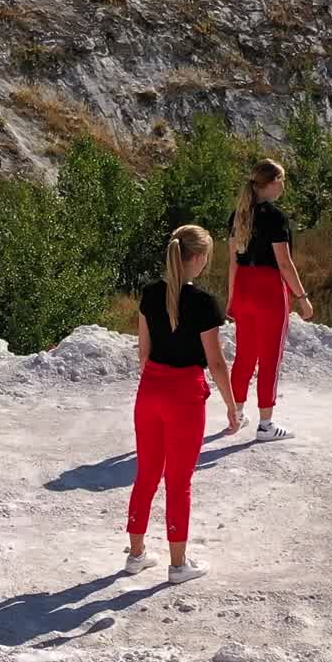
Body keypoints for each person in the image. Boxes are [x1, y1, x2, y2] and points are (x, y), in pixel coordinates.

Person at [126, 224, 239, 583]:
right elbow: (217, 363)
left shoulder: (149, 293)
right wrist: (232, 405)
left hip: (150, 390)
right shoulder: (204, 303)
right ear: (198, 258)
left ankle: (136, 554)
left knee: (145, 475)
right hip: (184, 396)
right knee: (179, 481)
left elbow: (143, 353)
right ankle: (178, 564)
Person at [227, 159, 314, 441]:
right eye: (282, 180)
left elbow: (232, 264)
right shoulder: (276, 217)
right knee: (269, 358)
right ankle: (266, 425)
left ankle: (237, 414)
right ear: (273, 182)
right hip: (268, 290)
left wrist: (230, 299)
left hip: (243, 288)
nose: (284, 186)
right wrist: (302, 297)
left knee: (244, 356)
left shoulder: (238, 215)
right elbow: (284, 264)